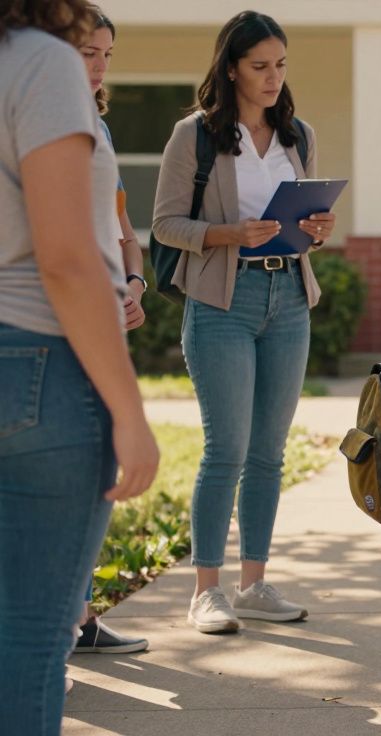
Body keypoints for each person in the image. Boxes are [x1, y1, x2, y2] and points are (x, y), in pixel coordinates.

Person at [0, 0, 160, 731]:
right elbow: (65, 259)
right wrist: (129, 412)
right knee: (32, 641)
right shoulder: (41, 62)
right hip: (40, 364)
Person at [152, 10, 336, 634]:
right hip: (221, 303)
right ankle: (206, 592)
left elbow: (306, 224)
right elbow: (165, 224)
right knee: (225, 449)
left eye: (280, 65)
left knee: (268, 453)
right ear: (231, 68)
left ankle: (253, 584)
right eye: (260, 66)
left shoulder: (298, 135)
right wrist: (229, 233)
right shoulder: (195, 136)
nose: (273, 77)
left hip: (290, 298)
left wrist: (317, 229)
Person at [71, 3, 150, 657]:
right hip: (64, 323)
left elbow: (124, 230)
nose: (98, 66)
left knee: (93, 476)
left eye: (106, 55)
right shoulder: (43, 120)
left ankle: (78, 615)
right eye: (86, 52)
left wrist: (135, 283)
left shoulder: (97, 126)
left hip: (107, 313)